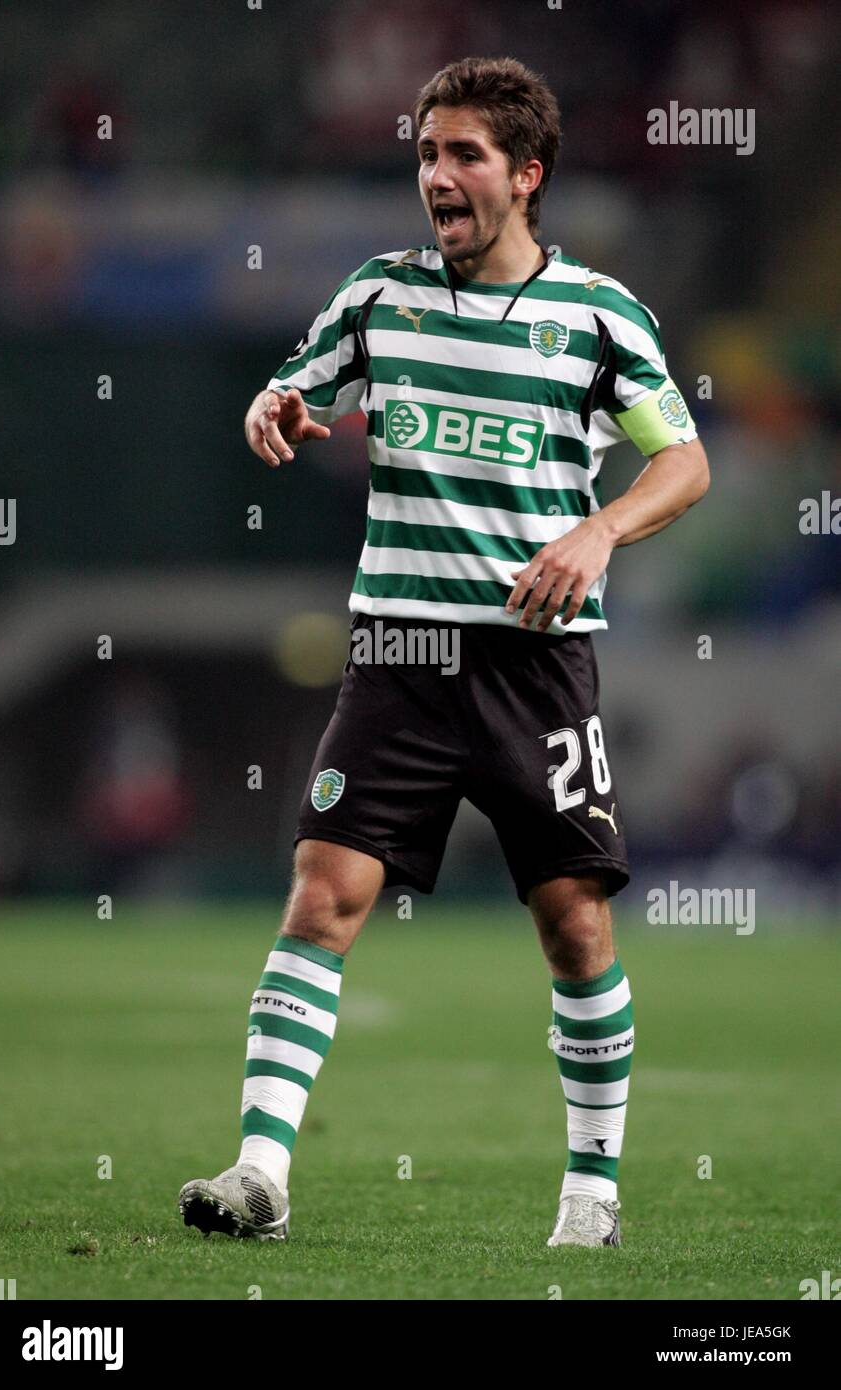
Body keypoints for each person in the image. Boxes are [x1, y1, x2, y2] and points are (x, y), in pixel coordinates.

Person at [179, 55, 709, 1249]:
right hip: (398, 655)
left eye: (463, 154)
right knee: (323, 892)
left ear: (526, 175)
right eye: (425, 153)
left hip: (535, 663)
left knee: (573, 922)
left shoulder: (597, 315)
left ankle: (590, 1198)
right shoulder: (378, 297)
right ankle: (261, 1174)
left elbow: (682, 461)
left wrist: (599, 527)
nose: (436, 175)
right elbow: (290, 388)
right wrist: (272, 409)